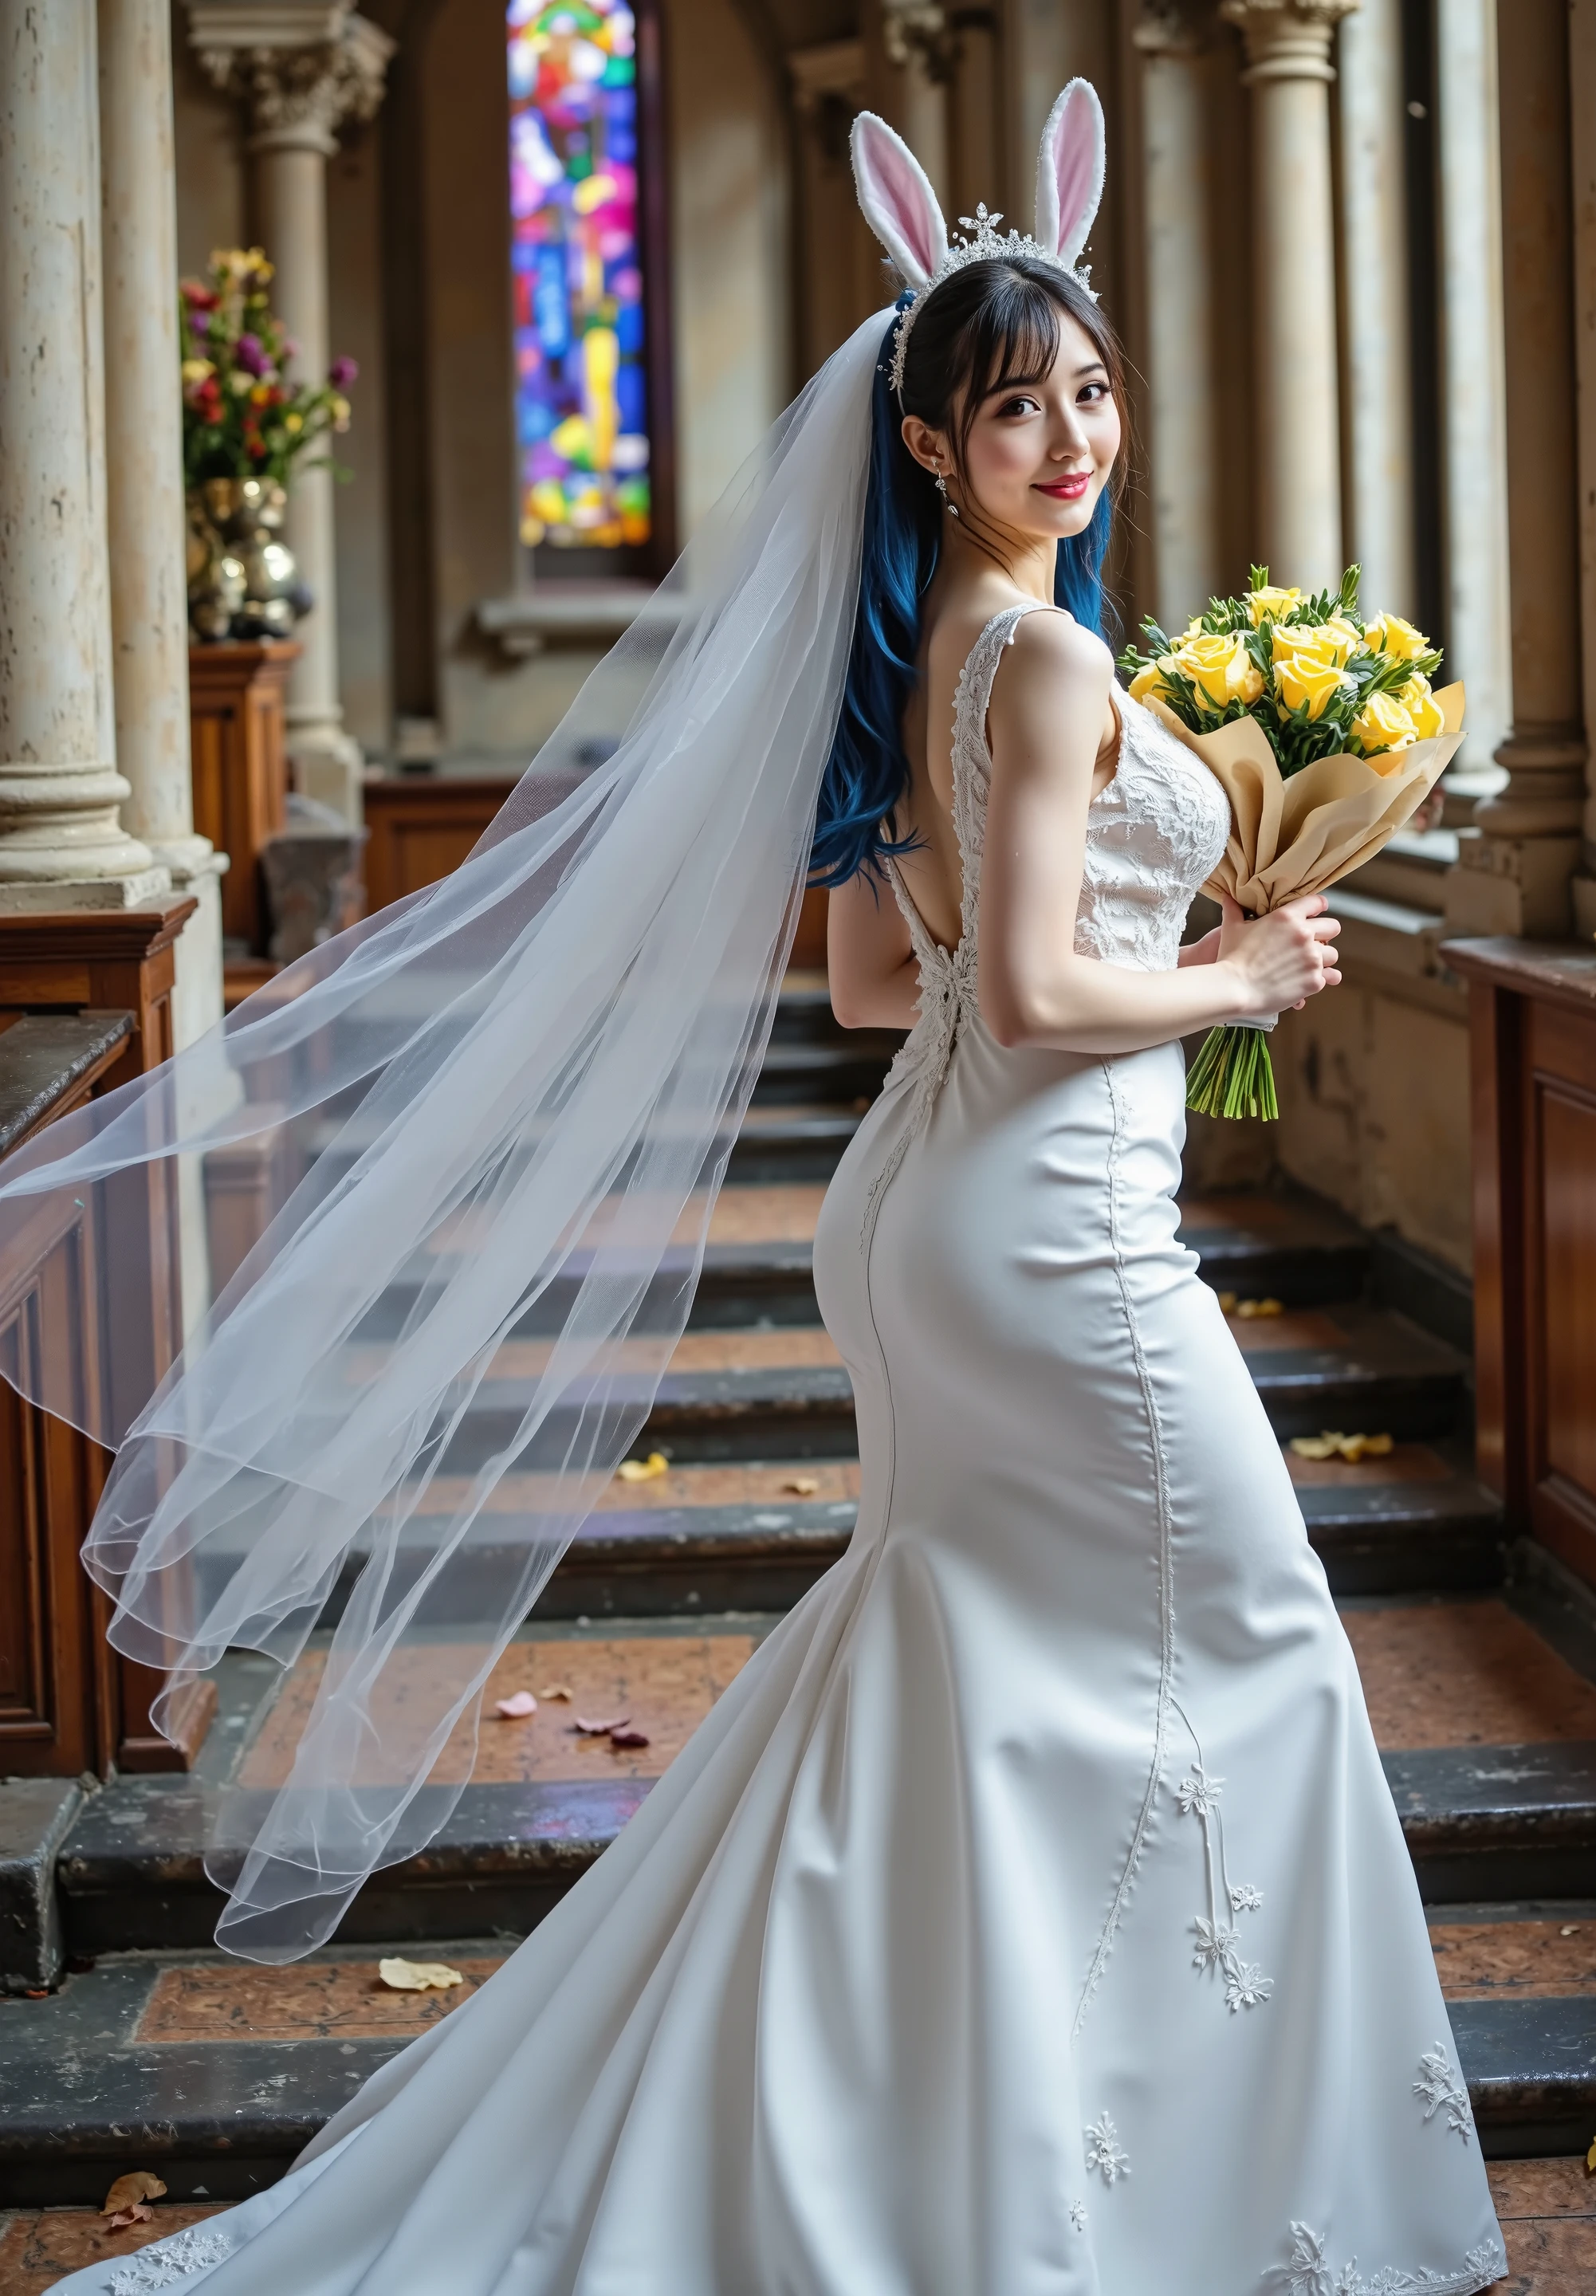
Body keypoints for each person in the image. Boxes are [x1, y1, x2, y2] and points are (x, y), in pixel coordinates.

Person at [32, 82, 1505, 2296]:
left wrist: (1141, 953)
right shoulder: (1060, 657)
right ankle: (1161, 2193)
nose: (1069, 439)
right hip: (1053, 1245)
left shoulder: (931, 656)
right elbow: (1009, 998)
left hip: (939, 1232)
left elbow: (864, 979)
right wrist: (1232, 973)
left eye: (1090, 391)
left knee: (962, 1672)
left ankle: (953, 2149)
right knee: (1261, 1646)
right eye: (1017, 408)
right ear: (930, 442)